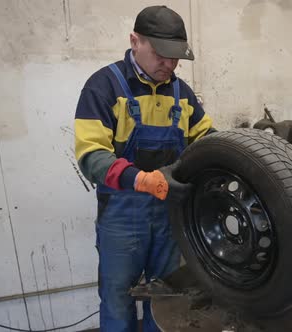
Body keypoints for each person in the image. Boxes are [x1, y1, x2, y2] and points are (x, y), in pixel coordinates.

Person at [74, 5, 214, 331]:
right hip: (121, 215)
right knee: (117, 297)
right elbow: (91, 155)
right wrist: (142, 180)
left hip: (170, 215)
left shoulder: (181, 94)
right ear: (135, 41)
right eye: (161, 55)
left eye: (176, 57)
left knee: (167, 298)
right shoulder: (103, 87)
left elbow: (208, 142)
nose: (170, 65)